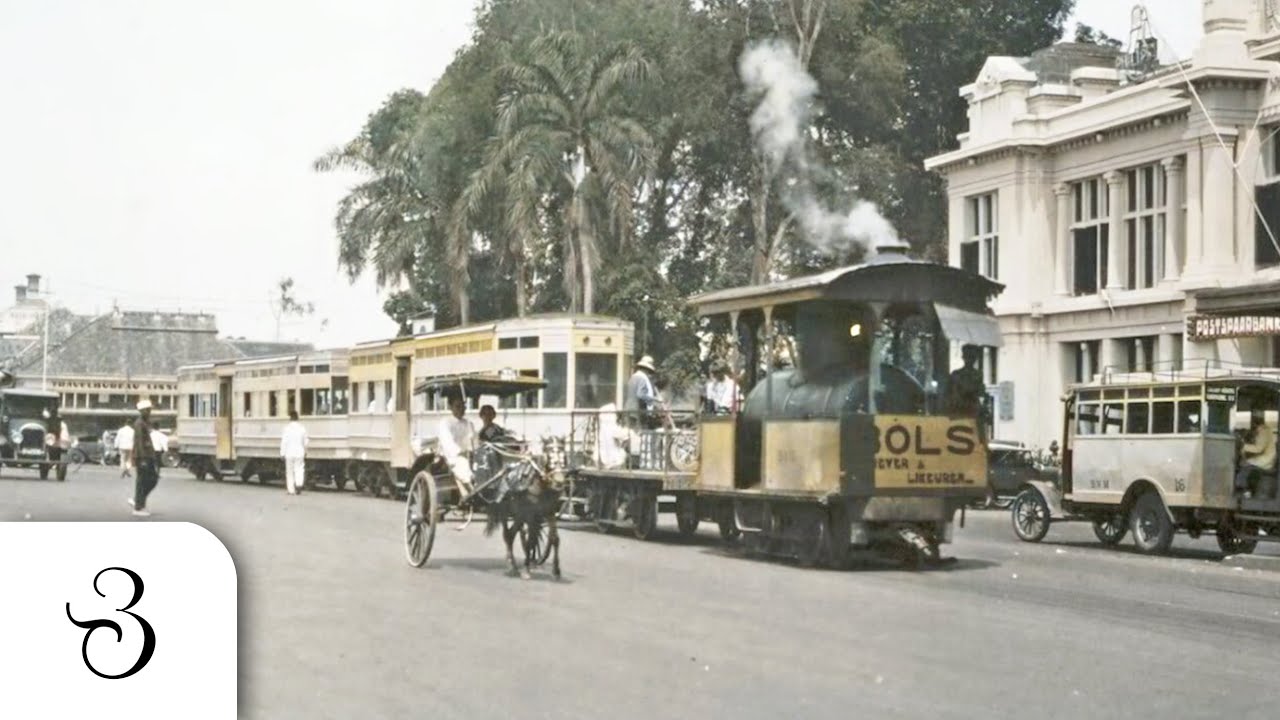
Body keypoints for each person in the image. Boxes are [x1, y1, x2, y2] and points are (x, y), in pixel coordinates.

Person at [945, 345, 989, 444]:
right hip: (959, 413)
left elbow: (980, 393)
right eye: (968, 356)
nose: (970, 359)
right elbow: (951, 395)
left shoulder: (978, 375)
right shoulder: (956, 375)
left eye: (972, 357)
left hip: (972, 412)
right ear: (964, 357)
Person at [437, 395, 477, 495]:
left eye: (463, 407)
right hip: (452, 456)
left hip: (469, 454)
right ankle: (470, 489)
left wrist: (474, 450)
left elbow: (474, 440)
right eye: (457, 407)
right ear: (451, 407)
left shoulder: (468, 423)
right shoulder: (445, 423)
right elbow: (447, 442)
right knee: (462, 463)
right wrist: (460, 452)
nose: (461, 410)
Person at [127, 400, 159, 517]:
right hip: (143, 456)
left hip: (147, 455)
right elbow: (139, 442)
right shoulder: (139, 424)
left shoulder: (144, 422)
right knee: (143, 481)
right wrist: (143, 458)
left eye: (150, 409)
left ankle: (138, 500)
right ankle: (138, 507)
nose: (150, 412)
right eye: (148, 410)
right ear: (142, 411)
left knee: (152, 479)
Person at [1236, 412, 1276, 499]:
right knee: (1245, 463)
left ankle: (1245, 492)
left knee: (1244, 466)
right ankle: (1247, 490)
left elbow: (1259, 448)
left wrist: (1244, 446)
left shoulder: (1264, 431)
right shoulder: (1263, 430)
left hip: (1266, 460)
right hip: (1265, 458)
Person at [625, 355, 660, 429]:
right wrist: (654, 399)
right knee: (638, 434)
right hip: (637, 411)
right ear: (646, 369)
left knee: (630, 433)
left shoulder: (633, 377)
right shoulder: (642, 379)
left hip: (628, 409)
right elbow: (640, 394)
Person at [280, 408, 308, 495]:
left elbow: (284, 441)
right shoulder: (302, 428)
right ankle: (299, 485)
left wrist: (282, 453)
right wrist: (305, 451)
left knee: (289, 471)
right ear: (297, 418)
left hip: (289, 453)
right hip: (300, 452)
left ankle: (291, 490)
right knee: (299, 469)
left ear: (290, 418)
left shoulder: (287, 429)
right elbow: (306, 441)